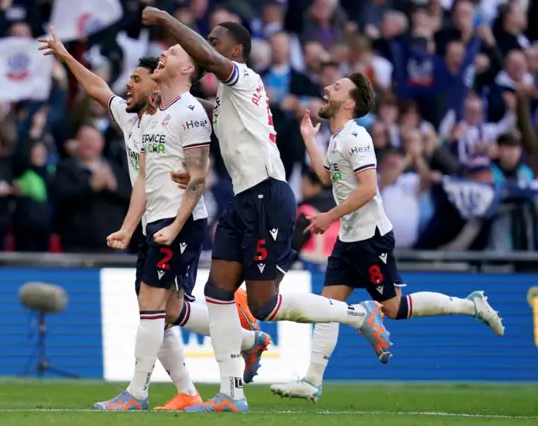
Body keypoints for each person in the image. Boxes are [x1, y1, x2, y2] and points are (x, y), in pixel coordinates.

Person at [142, 8, 392, 413]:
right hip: (243, 200)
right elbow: (205, 112)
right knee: (218, 293)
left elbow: (208, 59)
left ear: (236, 51)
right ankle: (231, 394)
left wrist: (168, 21)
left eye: (216, 41)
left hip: (268, 195)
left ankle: (357, 313)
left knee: (263, 305)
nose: (209, 48)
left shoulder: (244, 77)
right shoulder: (227, 98)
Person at [38, 31, 267, 412]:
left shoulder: (187, 113)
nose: (127, 86)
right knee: (169, 310)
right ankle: (243, 342)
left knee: (151, 304)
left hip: (179, 220)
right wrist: (63, 55)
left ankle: (138, 394)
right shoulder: (139, 122)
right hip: (152, 222)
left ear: (156, 83)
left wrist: (175, 224)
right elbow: (97, 89)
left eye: (137, 79)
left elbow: (200, 172)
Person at [270, 73, 505, 403]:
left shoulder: (357, 137)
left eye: (335, 87)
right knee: (327, 308)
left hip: (370, 239)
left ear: (349, 103)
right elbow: (326, 177)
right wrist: (310, 137)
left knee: (394, 308)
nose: (326, 88)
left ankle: (471, 305)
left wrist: (329, 217)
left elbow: (368, 189)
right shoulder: (337, 138)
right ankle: (312, 380)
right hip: (350, 238)